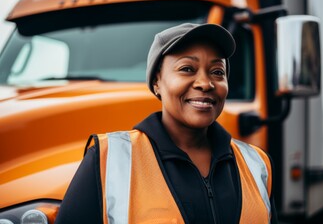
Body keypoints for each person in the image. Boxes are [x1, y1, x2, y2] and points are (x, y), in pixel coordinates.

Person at [55, 23, 278, 224]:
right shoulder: (107, 159)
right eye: (187, 69)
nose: (205, 83)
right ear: (156, 82)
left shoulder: (257, 164)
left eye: (217, 72)